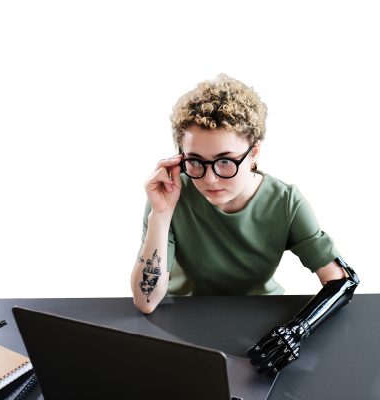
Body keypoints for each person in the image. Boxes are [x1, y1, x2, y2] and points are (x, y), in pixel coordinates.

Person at [130, 73, 359, 375]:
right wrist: (160, 214)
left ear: (254, 153)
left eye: (225, 161)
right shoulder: (172, 195)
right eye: (195, 161)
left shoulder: (285, 202)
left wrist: (298, 329)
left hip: (261, 331)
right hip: (184, 326)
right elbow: (147, 302)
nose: (209, 179)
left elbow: (341, 280)